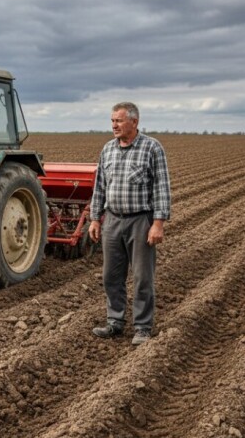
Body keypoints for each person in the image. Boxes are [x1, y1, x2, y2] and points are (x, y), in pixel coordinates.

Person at [88, 102, 171, 345]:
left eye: (119, 121)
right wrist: (95, 219)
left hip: (140, 221)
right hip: (112, 220)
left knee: (143, 277)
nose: (114, 125)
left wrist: (158, 224)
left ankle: (143, 327)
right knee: (110, 276)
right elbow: (99, 186)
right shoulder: (108, 149)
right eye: (112, 120)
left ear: (134, 122)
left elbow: (162, 188)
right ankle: (115, 322)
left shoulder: (152, 148)